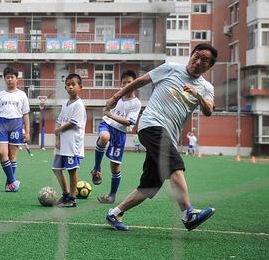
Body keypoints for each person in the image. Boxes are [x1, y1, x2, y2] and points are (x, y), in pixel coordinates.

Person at [102, 44, 218, 232]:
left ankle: (114, 213)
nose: (197, 62)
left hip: (169, 136)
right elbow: (140, 81)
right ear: (191, 55)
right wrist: (116, 97)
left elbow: (208, 111)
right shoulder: (171, 68)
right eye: (195, 56)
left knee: (149, 185)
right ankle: (188, 213)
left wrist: (197, 94)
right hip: (151, 125)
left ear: (209, 66)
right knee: (174, 164)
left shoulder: (206, 88)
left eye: (204, 61)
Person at [93, 70, 142, 204]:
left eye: (130, 82)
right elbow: (107, 107)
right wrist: (108, 105)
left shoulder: (136, 103)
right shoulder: (117, 97)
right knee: (104, 137)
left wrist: (110, 114)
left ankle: (112, 196)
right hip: (107, 125)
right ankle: (96, 168)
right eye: (124, 82)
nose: (126, 85)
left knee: (115, 166)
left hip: (120, 133)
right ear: (120, 84)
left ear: (135, 85)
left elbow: (129, 122)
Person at [0, 66, 31, 192]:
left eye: (12, 77)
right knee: (1, 153)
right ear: (4, 79)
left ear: (17, 79)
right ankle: (13, 181)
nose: (10, 79)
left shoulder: (22, 95)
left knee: (12, 155)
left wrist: (27, 131)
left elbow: (25, 114)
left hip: (16, 123)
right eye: (7, 77)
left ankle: (9, 185)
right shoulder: (0, 95)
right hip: (2, 124)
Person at [52, 74, 86, 208]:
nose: (70, 86)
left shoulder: (79, 105)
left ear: (80, 87)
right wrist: (57, 137)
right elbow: (59, 121)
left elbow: (73, 123)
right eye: (68, 84)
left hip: (72, 145)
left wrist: (58, 130)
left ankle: (72, 198)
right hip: (62, 144)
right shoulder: (65, 104)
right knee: (56, 169)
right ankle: (65, 194)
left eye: (73, 84)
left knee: (72, 170)